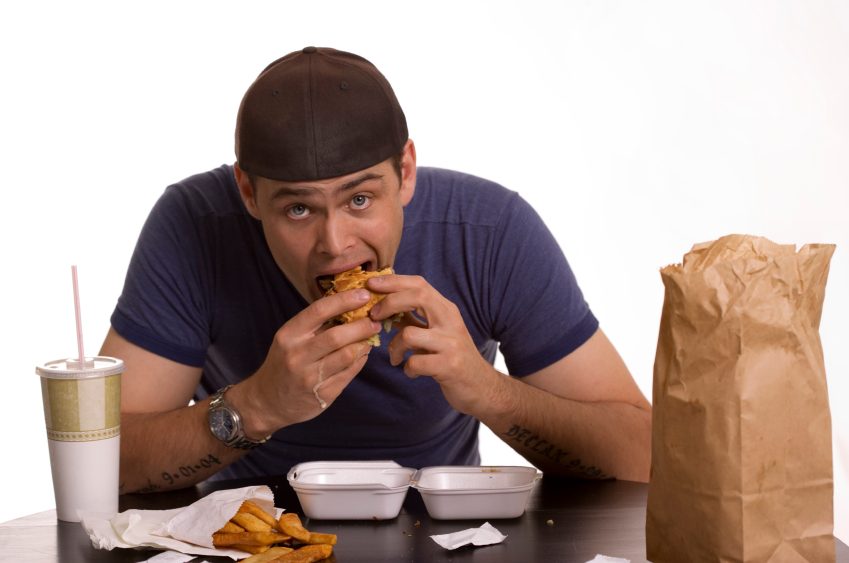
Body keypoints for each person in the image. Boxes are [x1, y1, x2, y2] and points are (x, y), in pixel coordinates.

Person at [101, 46, 651, 494]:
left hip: (441, 535)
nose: (335, 245)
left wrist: (486, 390)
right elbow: (104, 464)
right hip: (248, 538)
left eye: (360, 199)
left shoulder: (488, 231)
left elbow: (645, 455)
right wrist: (256, 406)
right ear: (248, 192)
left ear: (406, 172)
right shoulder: (194, 225)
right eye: (298, 209)